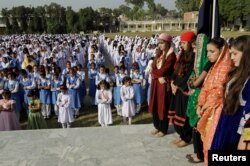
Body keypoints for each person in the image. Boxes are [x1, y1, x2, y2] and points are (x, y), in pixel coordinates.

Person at [196, 37, 232, 165]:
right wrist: (200, 104)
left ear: (222, 51)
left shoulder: (226, 68)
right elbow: (205, 87)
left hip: (218, 111)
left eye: (212, 51)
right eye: (207, 51)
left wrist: (204, 106)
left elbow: (219, 92)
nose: (208, 55)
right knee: (207, 142)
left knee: (213, 144)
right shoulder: (213, 67)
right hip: (207, 108)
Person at [211, 35, 250, 151]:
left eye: (235, 54)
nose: (231, 57)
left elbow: (249, 116)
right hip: (225, 123)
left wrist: (245, 139)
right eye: (231, 53)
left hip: (237, 130)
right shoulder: (236, 72)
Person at [185, 34, 211, 163]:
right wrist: (191, 83)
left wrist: (192, 84)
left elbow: (196, 82)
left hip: (202, 98)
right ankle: (197, 152)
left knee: (198, 126)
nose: (194, 49)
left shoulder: (207, 63)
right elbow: (192, 78)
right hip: (196, 96)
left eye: (196, 46)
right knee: (195, 127)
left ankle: (199, 154)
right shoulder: (199, 61)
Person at [169, 31, 195, 147]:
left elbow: (189, 74)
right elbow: (176, 69)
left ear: (190, 43)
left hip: (184, 90)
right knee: (177, 113)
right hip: (177, 89)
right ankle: (181, 135)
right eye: (182, 43)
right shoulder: (182, 54)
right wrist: (173, 82)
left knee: (183, 114)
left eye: (184, 43)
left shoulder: (194, 56)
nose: (182, 45)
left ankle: (186, 137)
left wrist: (178, 85)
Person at [148, 33, 176, 137]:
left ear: (168, 43)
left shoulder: (171, 56)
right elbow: (153, 66)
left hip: (163, 85)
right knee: (155, 105)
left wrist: (154, 73)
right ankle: (157, 126)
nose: (160, 45)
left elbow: (164, 71)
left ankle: (163, 129)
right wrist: (154, 73)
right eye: (159, 43)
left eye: (162, 43)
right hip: (156, 83)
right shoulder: (159, 54)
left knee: (162, 106)